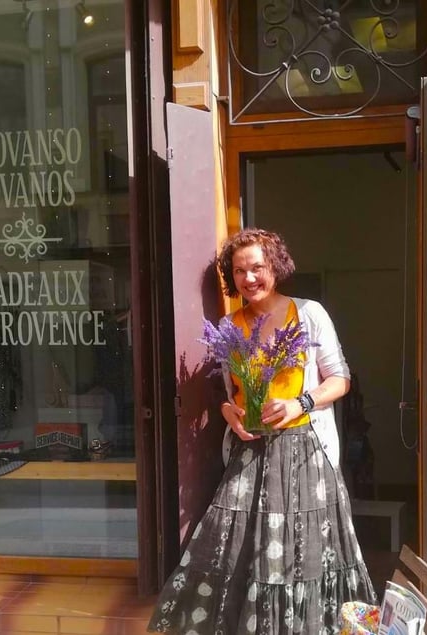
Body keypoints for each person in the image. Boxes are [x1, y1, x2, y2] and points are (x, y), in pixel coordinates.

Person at [148, 228, 375, 634]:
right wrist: (228, 411)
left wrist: (298, 403)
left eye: (257, 267)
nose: (249, 278)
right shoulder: (230, 324)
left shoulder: (308, 313)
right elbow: (230, 388)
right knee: (237, 545)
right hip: (250, 453)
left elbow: (339, 380)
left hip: (305, 450)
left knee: (303, 548)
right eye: (239, 271)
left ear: (276, 267)